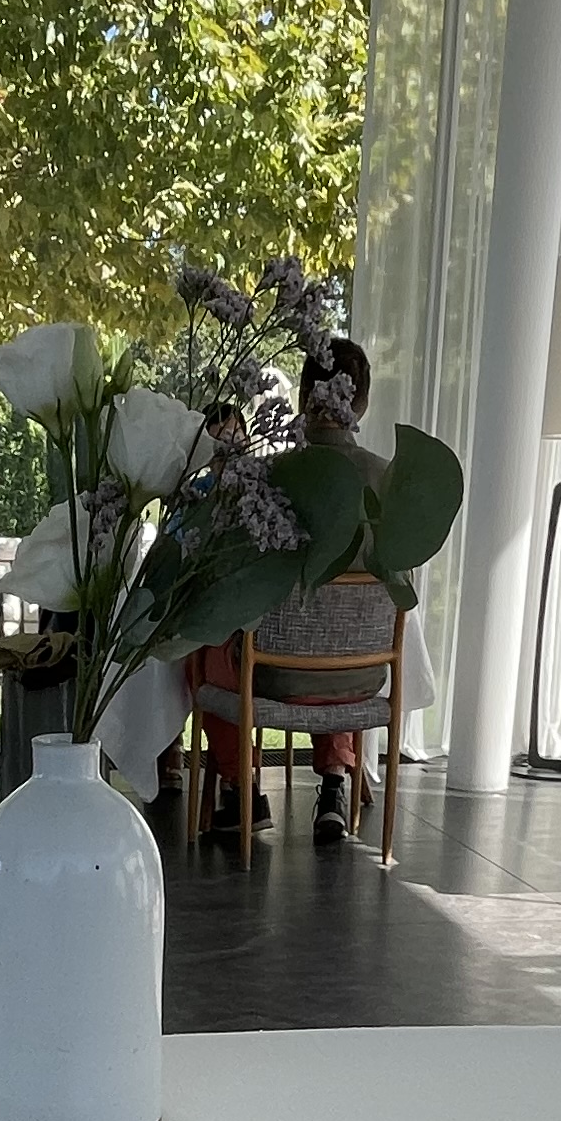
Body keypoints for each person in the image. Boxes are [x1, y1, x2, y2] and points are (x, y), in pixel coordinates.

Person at [195, 337, 384, 847]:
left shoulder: (267, 479)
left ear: (303, 397)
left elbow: (230, 577)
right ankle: (334, 788)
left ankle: (241, 789)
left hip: (272, 674)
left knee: (205, 646)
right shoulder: (389, 481)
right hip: (363, 674)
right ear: (362, 402)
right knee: (336, 634)